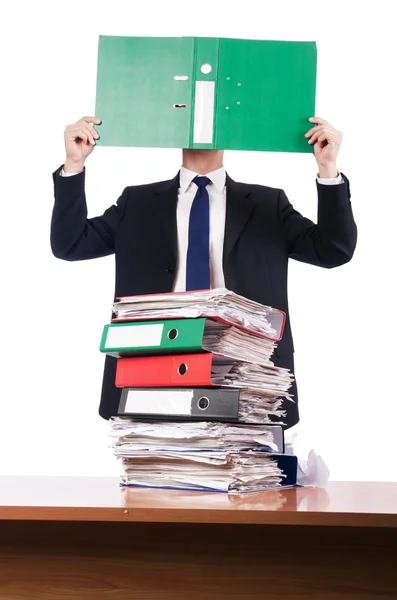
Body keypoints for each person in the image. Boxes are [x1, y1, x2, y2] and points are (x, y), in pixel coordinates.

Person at [51, 115, 357, 429]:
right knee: (163, 468)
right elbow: (70, 244)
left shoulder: (268, 204)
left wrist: (328, 170)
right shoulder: (137, 202)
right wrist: (74, 164)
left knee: (239, 470)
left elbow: (333, 250)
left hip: (244, 361)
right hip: (155, 361)